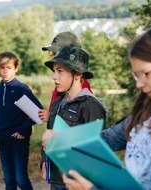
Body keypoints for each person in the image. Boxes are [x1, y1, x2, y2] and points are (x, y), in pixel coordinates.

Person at [60, 20, 151, 190]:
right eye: (136, 75)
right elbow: (107, 139)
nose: (139, 84)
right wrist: (63, 138)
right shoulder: (146, 112)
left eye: (146, 73)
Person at [41, 45, 107, 190]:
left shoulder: (90, 106)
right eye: (54, 71)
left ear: (77, 74)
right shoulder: (57, 102)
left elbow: (98, 148)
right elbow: (49, 134)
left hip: (77, 181)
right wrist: (44, 162)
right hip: (56, 178)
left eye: (60, 71)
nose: (54, 77)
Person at [38, 31, 94, 182]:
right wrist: (44, 161)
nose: (51, 56)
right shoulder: (61, 88)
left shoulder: (85, 95)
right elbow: (52, 127)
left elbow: (90, 140)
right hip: (56, 170)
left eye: (55, 53)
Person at [0, 51, 43, 190]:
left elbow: (38, 112)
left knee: (21, 179)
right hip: (2, 140)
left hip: (19, 139)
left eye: (9, 68)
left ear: (16, 68)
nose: (5, 71)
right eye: (2, 68)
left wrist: (23, 130)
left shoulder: (21, 89)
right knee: (9, 180)